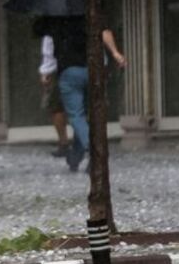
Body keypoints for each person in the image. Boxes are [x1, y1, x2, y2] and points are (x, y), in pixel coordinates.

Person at [47, 16, 127, 172]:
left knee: (76, 116)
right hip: (95, 69)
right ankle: (75, 157)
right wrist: (115, 53)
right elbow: (104, 31)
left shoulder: (56, 19)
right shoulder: (91, 13)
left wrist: (46, 70)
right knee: (85, 117)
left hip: (70, 71)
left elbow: (49, 48)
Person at [33, 18, 69, 157]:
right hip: (78, 67)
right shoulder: (80, 25)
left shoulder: (51, 31)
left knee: (56, 107)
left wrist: (45, 73)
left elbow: (48, 55)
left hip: (56, 71)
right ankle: (81, 141)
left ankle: (64, 142)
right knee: (78, 108)